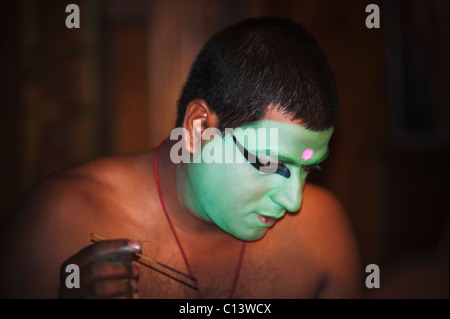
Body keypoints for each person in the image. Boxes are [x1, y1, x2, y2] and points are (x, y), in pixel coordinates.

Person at [0, 17, 361, 299]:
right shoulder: (59, 222)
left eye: (308, 168)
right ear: (198, 126)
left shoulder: (322, 230)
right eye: (269, 163)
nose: (293, 200)